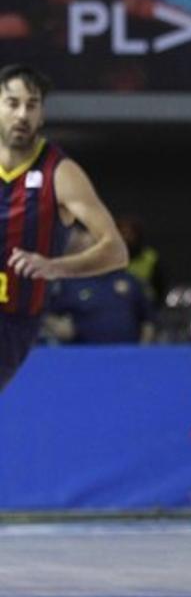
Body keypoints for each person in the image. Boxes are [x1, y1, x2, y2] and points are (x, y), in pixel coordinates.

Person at [0, 63, 128, 391]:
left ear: (42, 114)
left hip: (10, 321)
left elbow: (115, 251)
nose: (22, 114)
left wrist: (55, 267)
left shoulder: (60, 173)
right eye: (12, 103)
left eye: (32, 104)